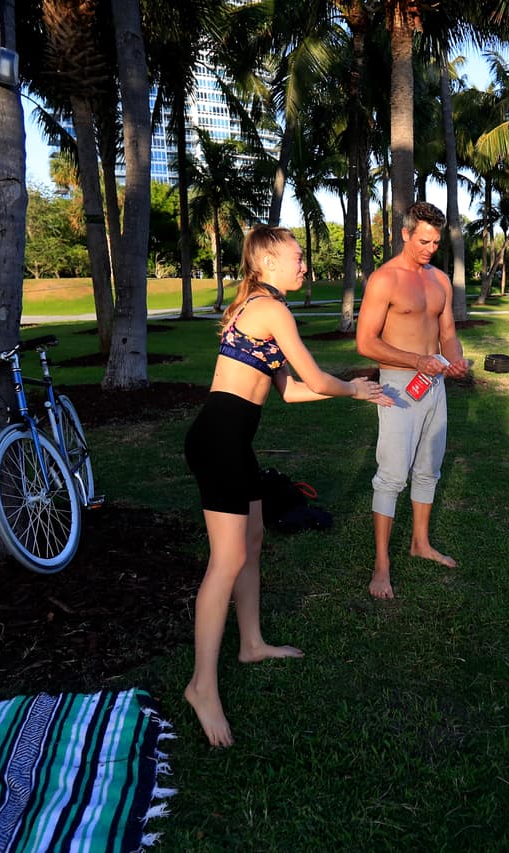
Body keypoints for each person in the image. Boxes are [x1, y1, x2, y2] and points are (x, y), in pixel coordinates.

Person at [183, 225, 393, 748]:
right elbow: (319, 380)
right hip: (219, 440)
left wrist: (348, 390)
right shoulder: (270, 310)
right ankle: (201, 687)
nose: (305, 265)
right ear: (267, 263)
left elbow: (294, 392)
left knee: (251, 544)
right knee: (225, 561)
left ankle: (251, 643)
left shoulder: (260, 306)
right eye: (298, 258)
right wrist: (350, 389)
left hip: (231, 437)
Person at [356, 201, 471, 600]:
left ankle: (420, 542)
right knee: (391, 475)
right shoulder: (384, 280)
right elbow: (365, 342)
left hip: (434, 383)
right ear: (405, 234)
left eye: (436, 241)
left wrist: (455, 362)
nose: (429, 247)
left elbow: (448, 332)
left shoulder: (439, 279)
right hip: (398, 386)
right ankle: (381, 566)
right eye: (423, 240)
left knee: (428, 469)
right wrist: (416, 360)